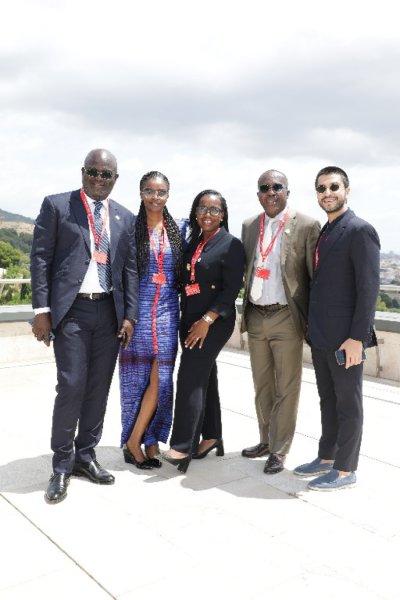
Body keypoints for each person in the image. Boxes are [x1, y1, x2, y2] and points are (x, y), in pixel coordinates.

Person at [30, 148, 139, 504]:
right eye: (93, 171)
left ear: (115, 179)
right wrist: (42, 310)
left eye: (106, 174)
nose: (98, 178)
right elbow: (41, 258)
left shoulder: (124, 217)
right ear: (82, 171)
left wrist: (129, 316)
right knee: (72, 385)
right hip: (72, 312)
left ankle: (86, 455)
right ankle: (61, 464)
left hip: (109, 313)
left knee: (98, 388)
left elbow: (130, 269)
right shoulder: (58, 206)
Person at [294, 166, 380, 491]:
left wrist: (357, 338)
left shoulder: (360, 230)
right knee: (327, 401)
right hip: (321, 336)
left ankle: (345, 469)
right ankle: (326, 457)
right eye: (321, 188)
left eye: (333, 187)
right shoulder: (326, 231)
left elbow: (368, 289)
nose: (327, 193)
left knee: (348, 404)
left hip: (346, 339)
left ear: (347, 190)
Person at [241, 170, 320, 474]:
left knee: (287, 387)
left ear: (288, 191)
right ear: (258, 194)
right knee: (262, 385)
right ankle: (265, 440)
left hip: (287, 316)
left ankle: (279, 449)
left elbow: (314, 277)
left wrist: (311, 319)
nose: (271, 192)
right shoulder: (249, 225)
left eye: (277, 187)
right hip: (256, 315)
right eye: (265, 188)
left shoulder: (307, 225)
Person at [163, 190, 245, 473]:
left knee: (189, 377)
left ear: (223, 215)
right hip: (190, 319)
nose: (207, 214)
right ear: (195, 212)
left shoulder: (232, 245)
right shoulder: (195, 241)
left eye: (214, 210)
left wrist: (206, 321)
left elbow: (230, 291)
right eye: (202, 208)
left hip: (213, 323)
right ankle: (211, 435)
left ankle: (182, 445)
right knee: (205, 376)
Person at [119, 171, 187, 470]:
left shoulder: (180, 228)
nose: (155, 197)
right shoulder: (130, 229)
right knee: (135, 383)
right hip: (138, 316)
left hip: (169, 314)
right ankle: (137, 441)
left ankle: (148, 439)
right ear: (141, 194)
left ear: (168, 195)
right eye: (149, 191)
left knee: (162, 381)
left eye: (161, 192)